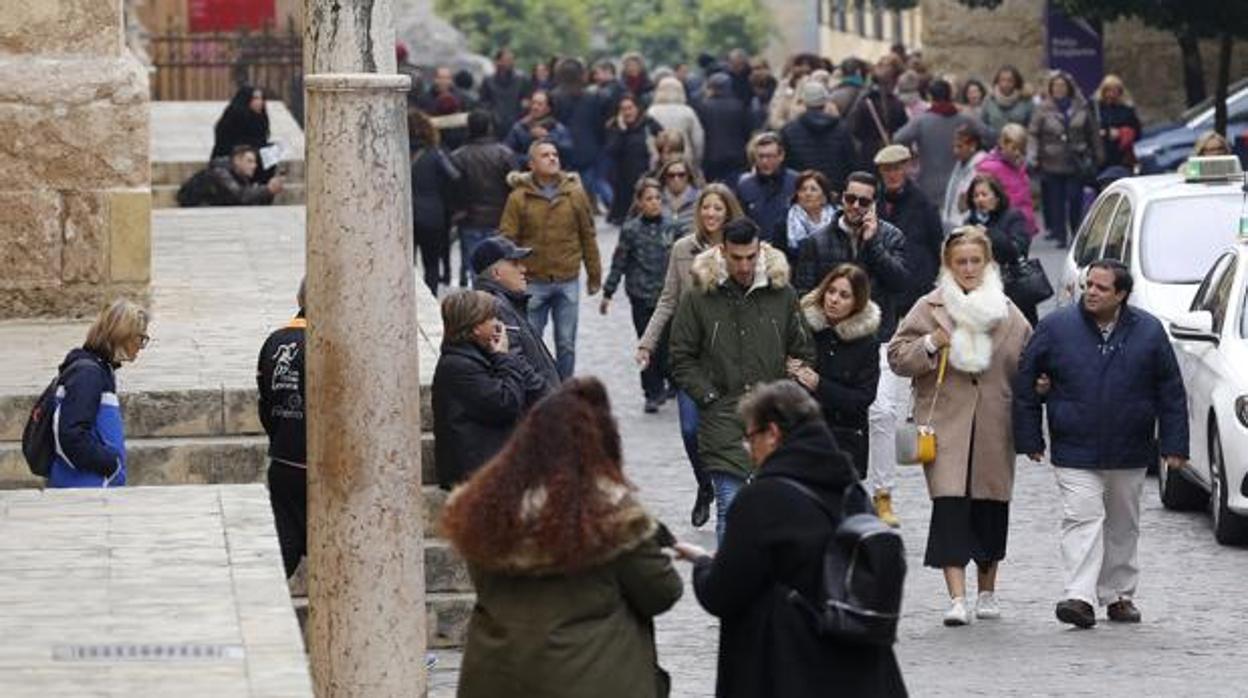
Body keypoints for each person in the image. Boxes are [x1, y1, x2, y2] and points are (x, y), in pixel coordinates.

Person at [443, 377, 683, 698]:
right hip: (593, 677)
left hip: (499, 676)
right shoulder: (611, 519)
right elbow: (661, 592)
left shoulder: (484, 513)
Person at [671, 381, 907, 698]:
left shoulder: (762, 499)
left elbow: (722, 592)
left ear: (772, 433)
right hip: (861, 671)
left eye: (750, 437)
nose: (748, 449)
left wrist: (703, 563)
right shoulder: (849, 488)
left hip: (789, 668)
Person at [1013, 260, 1188, 629]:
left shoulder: (1148, 330)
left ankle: (1118, 594)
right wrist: (1029, 437)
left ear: (1121, 294)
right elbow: (1026, 381)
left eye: (1101, 287)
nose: (1091, 292)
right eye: (1088, 284)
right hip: (1074, 444)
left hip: (1129, 446)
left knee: (1123, 522)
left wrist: (1174, 445)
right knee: (1082, 517)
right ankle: (1078, 596)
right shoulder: (1056, 328)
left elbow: (1170, 391)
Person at [889, 227, 1032, 626]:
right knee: (949, 507)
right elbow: (897, 357)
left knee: (990, 508)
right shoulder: (929, 306)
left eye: (975, 261)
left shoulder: (1007, 311)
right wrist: (932, 342)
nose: (968, 269)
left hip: (993, 423)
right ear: (948, 265)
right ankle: (957, 598)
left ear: (988, 263)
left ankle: (987, 591)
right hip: (945, 424)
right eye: (961, 262)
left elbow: (1029, 359)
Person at [669, 217, 815, 541]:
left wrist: (788, 392)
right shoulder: (699, 296)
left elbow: (803, 350)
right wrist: (708, 396)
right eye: (736, 258)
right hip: (723, 416)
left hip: (772, 421)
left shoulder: (782, 293)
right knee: (730, 509)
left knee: (774, 515)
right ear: (722, 251)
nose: (744, 266)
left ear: (760, 250)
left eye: (751, 257)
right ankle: (730, 574)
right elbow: (680, 355)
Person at [638, 184, 744, 528]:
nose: (711, 214)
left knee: (728, 430)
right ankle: (705, 483)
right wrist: (647, 342)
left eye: (718, 208)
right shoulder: (683, 248)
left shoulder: (742, 251)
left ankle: (728, 498)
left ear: (729, 212)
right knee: (689, 428)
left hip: (731, 357)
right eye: (706, 208)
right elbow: (668, 298)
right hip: (691, 356)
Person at [499, 139, 602, 379]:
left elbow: (587, 234)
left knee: (566, 344)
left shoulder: (574, 193)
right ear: (532, 164)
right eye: (545, 155)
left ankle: (564, 388)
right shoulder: (519, 197)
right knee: (531, 342)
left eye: (555, 154)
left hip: (567, 279)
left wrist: (594, 274)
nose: (553, 158)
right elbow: (507, 239)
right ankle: (536, 387)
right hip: (534, 282)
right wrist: (510, 277)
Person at [432, 289, 542, 490]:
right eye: (491, 318)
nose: (498, 324)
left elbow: (534, 387)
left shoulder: (476, 354)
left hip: (487, 463)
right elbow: (507, 403)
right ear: (475, 328)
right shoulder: (459, 366)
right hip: (475, 471)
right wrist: (505, 357)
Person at [49, 299, 149, 489]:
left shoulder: (99, 369)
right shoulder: (88, 374)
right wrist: (111, 464)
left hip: (94, 486)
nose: (141, 346)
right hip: (85, 488)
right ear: (123, 334)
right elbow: (71, 435)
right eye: (140, 338)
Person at [601, 179, 682, 413]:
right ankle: (652, 391)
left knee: (667, 344)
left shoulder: (672, 227)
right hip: (641, 296)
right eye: (649, 199)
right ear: (639, 202)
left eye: (657, 198)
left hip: (667, 297)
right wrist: (608, 291)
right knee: (647, 344)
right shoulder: (631, 230)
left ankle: (672, 380)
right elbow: (620, 261)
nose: (654, 203)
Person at [794, 265, 882, 478]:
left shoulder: (866, 344)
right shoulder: (802, 329)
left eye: (844, 295)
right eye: (831, 291)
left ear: (857, 302)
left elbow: (863, 397)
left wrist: (819, 384)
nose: (834, 300)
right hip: (803, 436)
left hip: (845, 441)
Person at [257, 281, 307, 578]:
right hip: (316, 463)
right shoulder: (326, 342)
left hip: (283, 458)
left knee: (285, 547)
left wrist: (281, 437)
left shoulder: (274, 341)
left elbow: (264, 402)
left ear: (299, 298)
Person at [471, 236, 561, 397]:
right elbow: (517, 364)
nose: (523, 269)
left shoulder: (506, 302)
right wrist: (550, 398)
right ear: (496, 273)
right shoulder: (496, 307)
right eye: (515, 263)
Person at [1029, 71, 1103, 247]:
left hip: (1076, 160)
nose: (1059, 89)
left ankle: (1076, 232)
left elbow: (1092, 132)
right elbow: (1033, 133)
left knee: (1075, 198)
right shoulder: (1043, 109)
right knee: (1056, 201)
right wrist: (1033, 155)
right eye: (1055, 86)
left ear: (1069, 88)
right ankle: (1060, 235)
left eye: (1062, 86)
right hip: (1051, 160)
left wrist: (1098, 154)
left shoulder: (1081, 107)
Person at [875, 144, 944, 318]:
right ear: (880, 172)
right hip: (883, 288)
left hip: (916, 288)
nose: (892, 175)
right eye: (887, 170)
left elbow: (937, 244)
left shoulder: (923, 204)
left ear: (905, 168)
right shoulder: (873, 202)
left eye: (897, 168)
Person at [894, 79, 987, 206]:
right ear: (950, 95)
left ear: (930, 97)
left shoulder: (921, 121)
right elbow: (991, 136)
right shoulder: (965, 119)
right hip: (959, 182)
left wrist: (910, 153)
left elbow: (898, 138)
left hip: (928, 182)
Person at [451, 110, 516, 287]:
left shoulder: (458, 157)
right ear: (489, 127)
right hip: (500, 219)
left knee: (477, 270)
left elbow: (453, 190)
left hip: (470, 219)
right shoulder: (505, 154)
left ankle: (481, 301)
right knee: (501, 271)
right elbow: (514, 188)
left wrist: (458, 212)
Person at [964, 174, 1037, 325]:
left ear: (996, 197)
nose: (980, 199)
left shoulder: (1013, 217)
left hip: (1012, 290)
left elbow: (1018, 250)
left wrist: (989, 234)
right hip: (980, 292)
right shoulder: (969, 222)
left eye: (984, 194)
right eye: (976, 196)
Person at [409, 108, 460, 293]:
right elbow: (454, 176)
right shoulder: (435, 153)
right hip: (432, 215)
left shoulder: (393, 152)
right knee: (431, 264)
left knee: (405, 264)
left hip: (402, 217)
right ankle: (430, 299)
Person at [780, 81, 855, 194]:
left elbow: (785, 164)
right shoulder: (842, 129)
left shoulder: (789, 130)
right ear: (825, 101)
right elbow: (851, 163)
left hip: (803, 189)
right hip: (834, 189)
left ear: (804, 102)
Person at [604, 94, 664, 226]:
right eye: (623, 109)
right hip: (623, 178)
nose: (627, 112)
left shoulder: (648, 123)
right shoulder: (614, 127)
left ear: (637, 108)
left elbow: (662, 140)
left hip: (646, 173)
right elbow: (611, 150)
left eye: (630, 108)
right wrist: (622, 131)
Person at [736, 132, 799, 246]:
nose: (765, 161)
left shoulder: (795, 182)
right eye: (761, 156)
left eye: (770, 156)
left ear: (781, 156)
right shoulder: (744, 185)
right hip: (756, 247)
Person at [849, 55, 909, 171]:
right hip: (892, 154)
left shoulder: (865, 100)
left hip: (869, 154)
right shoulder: (897, 103)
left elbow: (856, 129)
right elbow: (904, 131)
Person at [976, 123, 1036, 236]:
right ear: (1002, 144)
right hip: (1003, 228)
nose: (1017, 153)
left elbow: (1025, 198)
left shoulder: (1018, 165)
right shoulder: (990, 168)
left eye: (1021, 149)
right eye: (1014, 148)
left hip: (1022, 226)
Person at [176, 145, 284, 207]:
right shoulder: (221, 172)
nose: (254, 166)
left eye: (254, 162)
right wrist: (267, 189)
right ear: (237, 160)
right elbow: (240, 195)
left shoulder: (240, 175)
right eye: (249, 161)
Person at [210, 85, 275, 183]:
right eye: (255, 98)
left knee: (272, 151)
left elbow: (260, 140)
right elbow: (228, 142)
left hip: (252, 153)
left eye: (261, 98)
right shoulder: (235, 114)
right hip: (229, 157)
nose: (260, 102)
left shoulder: (260, 118)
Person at [698, 72, 752, 187]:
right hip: (737, 156)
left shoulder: (703, 107)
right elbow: (746, 131)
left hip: (712, 156)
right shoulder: (739, 105)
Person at [504, 90, 573, 165]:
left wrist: (547, 138)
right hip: (524, 169)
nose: (535, 107)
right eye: (533, 103)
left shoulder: (558, 129)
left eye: (540, 104)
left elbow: (567, 153)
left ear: (548, 108)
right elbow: (507, 152)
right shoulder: (519, 128)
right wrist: (531, 159)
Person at [780, 170, 836, 261]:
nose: (807, 193)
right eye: (803, 189)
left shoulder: (838, 219)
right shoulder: (783, 223)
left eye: (813, 189)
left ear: (824, 196)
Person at [942, 124, 988, 233]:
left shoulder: (982, 168)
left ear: (973, 145)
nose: (955, 151)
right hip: (951, 225)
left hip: (967, 227)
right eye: (954, 146)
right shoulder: (960, 163)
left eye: (960, 147)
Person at [648, 76, 705, 163]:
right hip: (684, 156)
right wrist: (697, 160)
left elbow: (648, 138)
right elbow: (698, 139)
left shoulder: (651, 112)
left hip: (659, 157)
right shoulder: (687, 111)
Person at [479, 48, 532, 136]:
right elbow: (483, 102)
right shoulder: (488, 81)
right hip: (495, 124)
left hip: (518, 124)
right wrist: (491, 116)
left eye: (512, 59)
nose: (511, 62)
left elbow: (528, 100)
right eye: (507, 60)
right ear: (498, 62)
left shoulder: (522, 79)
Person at [1094, 75, 1142, 171]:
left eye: (1115, 91)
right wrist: (1105, 133)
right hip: (1101, 156)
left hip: (1122, 155)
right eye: (1108, 91)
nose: (1111, 95)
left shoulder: (1127, 110)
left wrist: (1122, 132)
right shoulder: (1095, 110)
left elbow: (1137, 132)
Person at [981, 66, 1033, 139]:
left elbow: (1032, 128)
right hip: (993, 143)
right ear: (997, 81)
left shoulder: (1025, 101)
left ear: (1016, 82)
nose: (1006, 84)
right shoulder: (989, 100)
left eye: (1010, 80)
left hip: (1018, 143)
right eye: (1003, 80)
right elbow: (983, 125)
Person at [658, 157, 700, 233]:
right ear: (665, 177)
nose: (676, 179)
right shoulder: (656, 198)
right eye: (671, 175)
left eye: (681, 175)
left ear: (688, 176)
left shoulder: (700, 198)